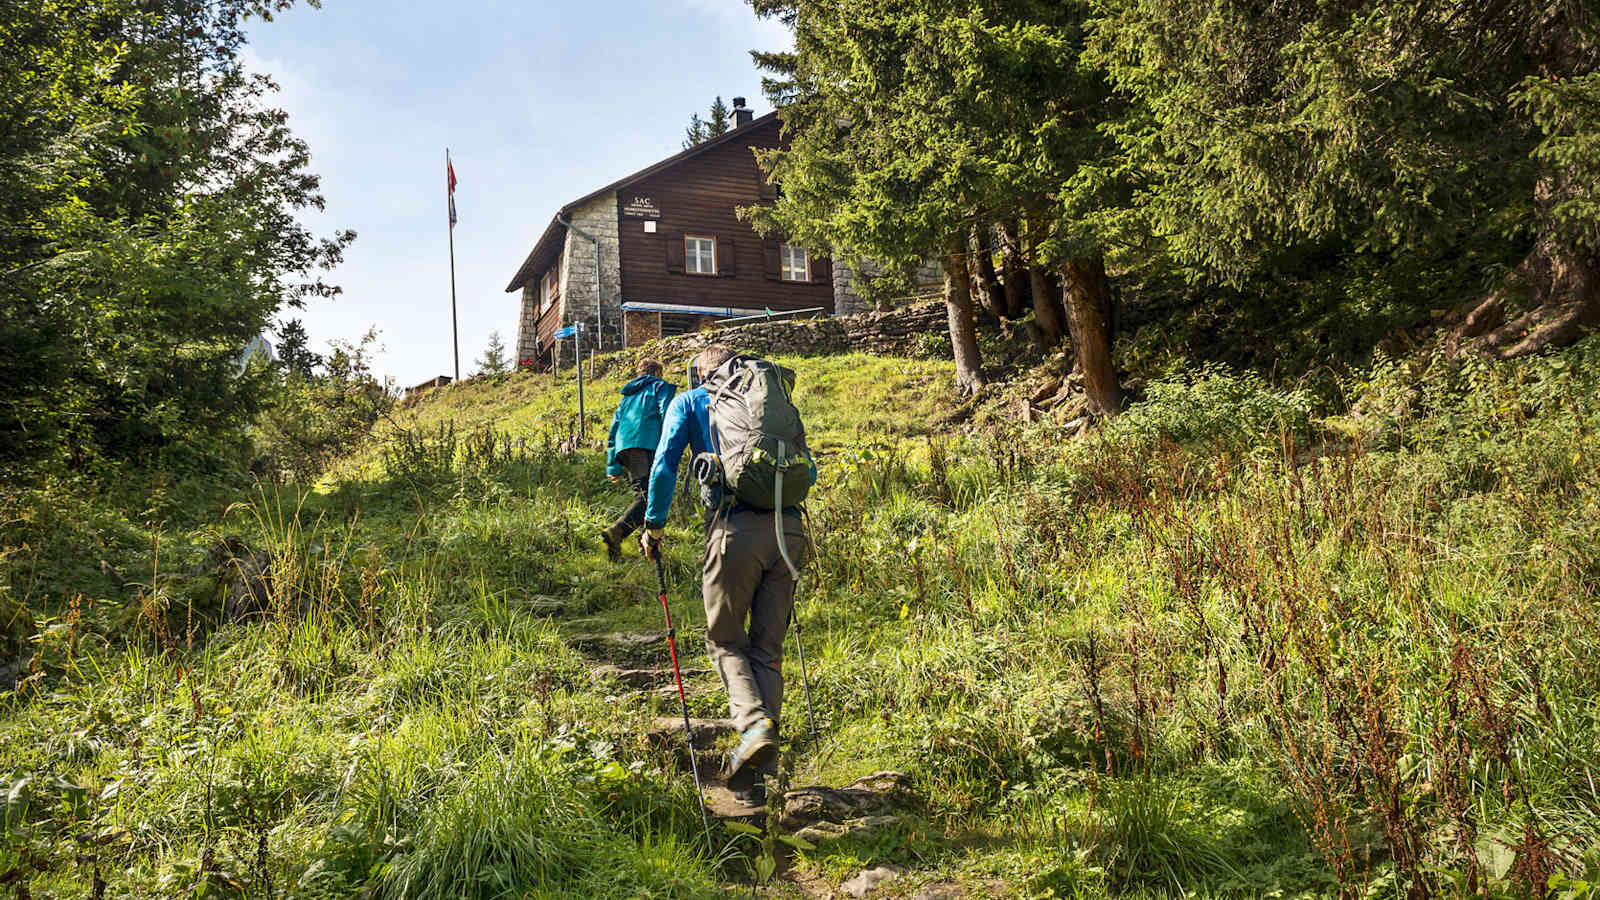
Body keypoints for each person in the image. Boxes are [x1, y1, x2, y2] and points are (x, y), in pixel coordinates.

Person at [640, 344, 814, 807]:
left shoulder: (693, 400)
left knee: (724, 640)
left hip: (734, 530)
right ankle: (757, 777)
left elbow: (664, 463)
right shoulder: (769, 398)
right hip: (790, 530)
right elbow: (808, 467)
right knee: (767, 651)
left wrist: (653, 525)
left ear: (700, 374)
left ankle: (754, 727)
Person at [600, 358, 675, 561]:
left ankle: (645, 548)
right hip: (648, 445)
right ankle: (618, 532)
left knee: (645, 494)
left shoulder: (626, 398)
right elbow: (667, 413)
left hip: (626, 449)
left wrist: (613, 466)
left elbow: (613, 430)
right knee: (649, 497)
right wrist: (673, 444)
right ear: (658, 374)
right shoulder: (660, 387)